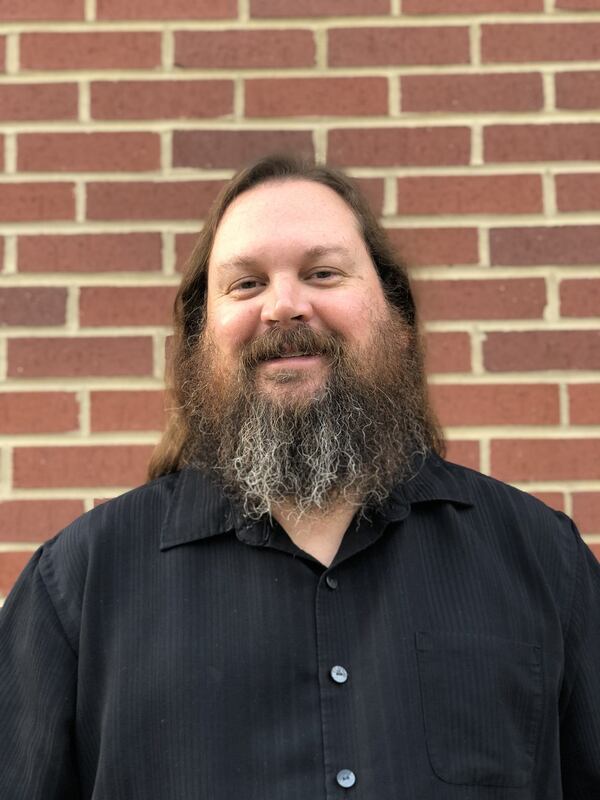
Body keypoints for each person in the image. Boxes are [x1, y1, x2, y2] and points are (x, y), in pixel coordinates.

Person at [0, 155, 598, 799]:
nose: (284, 306)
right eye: (246, 283)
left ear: (396, 318)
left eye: (322, 272)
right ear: (202, 334)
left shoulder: (543, 560)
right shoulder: (79, 586)